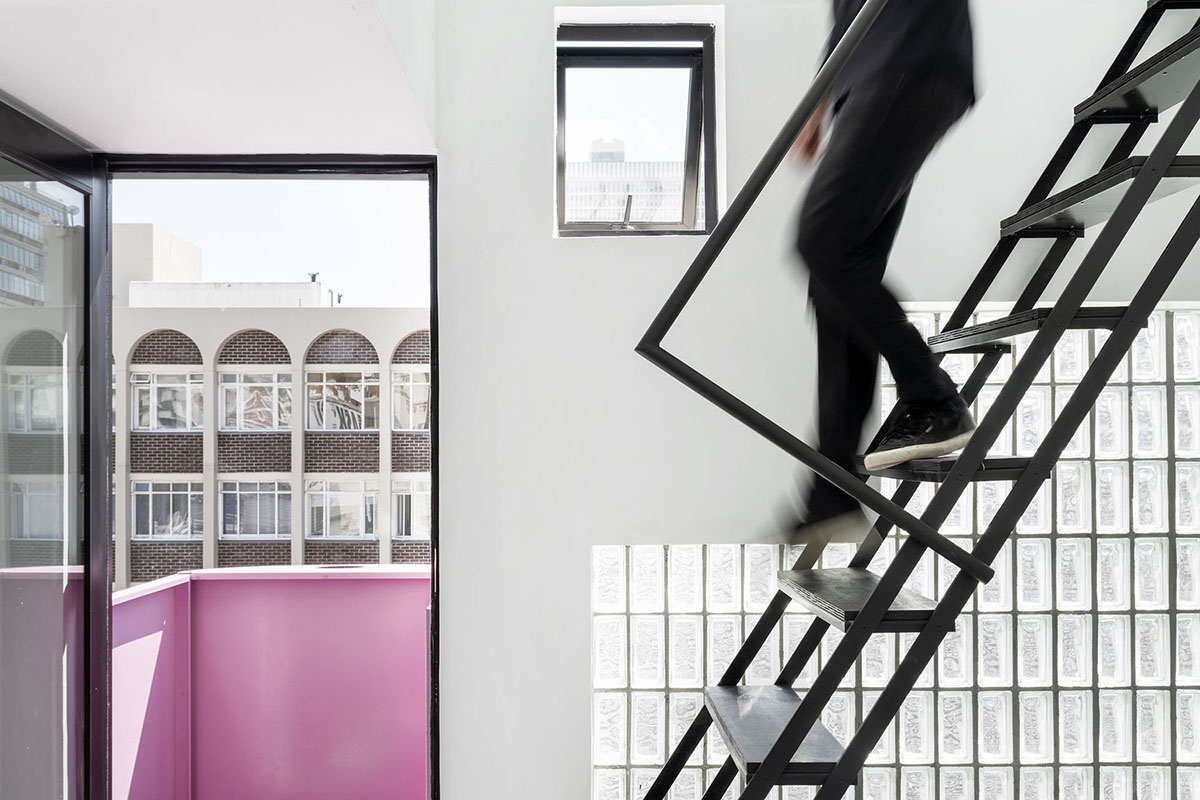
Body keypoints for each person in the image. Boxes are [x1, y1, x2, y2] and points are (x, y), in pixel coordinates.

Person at [785, 0, 977, 544]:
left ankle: (933, 396)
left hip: (908, 62)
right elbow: (845, 22)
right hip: (877, 77)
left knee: (823, 244)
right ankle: (833, 488)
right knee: (836, 278)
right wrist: (820, 105)